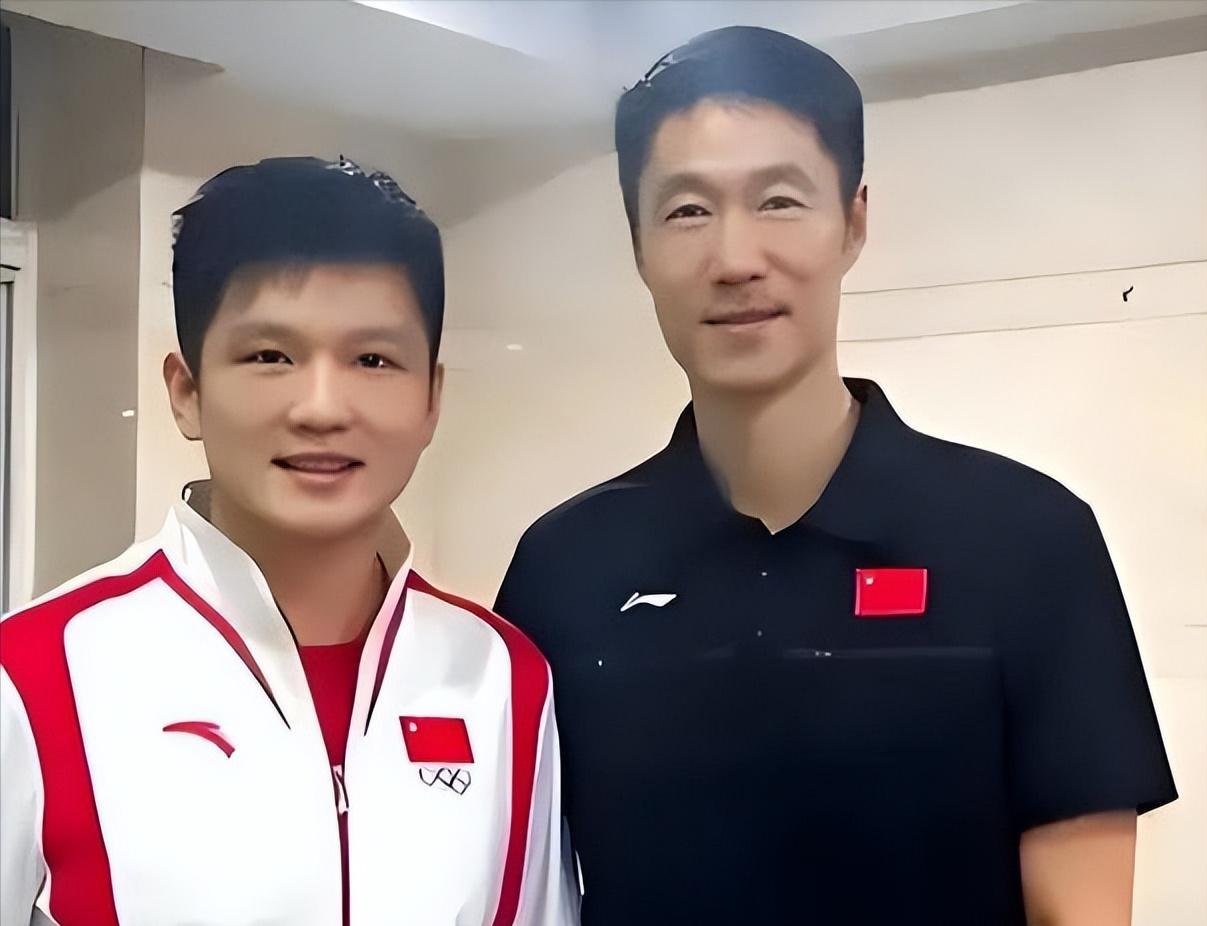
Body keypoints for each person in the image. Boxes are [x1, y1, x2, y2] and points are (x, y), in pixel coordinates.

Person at [494, 27, 1176, 926]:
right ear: (637, 245)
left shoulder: (1026, 541)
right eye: (687, 211)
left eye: (778, 200)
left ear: (852, 222)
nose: (734, 258)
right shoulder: (564, 567)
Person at [0, 156, 578, 926]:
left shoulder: (502, 678)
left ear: (431, 399)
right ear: (187, 392)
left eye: (373, 359)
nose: (322, 408)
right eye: (270, 356)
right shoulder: (36, 673)